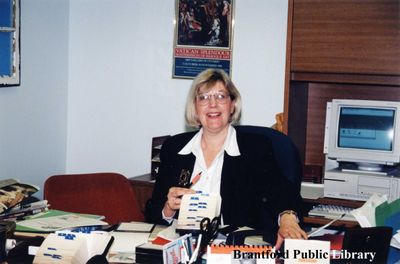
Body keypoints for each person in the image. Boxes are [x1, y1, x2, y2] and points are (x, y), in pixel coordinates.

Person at [145, 68, 307, 249]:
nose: (212, 104)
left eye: (221, 96)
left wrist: (288, 219)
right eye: (204, 97)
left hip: (234, 249)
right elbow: (152, 213)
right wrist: (168, 208)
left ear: (232, 105)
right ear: (195, 108)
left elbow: (282, 193)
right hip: (183, 246)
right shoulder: (175, 148)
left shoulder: (255, 148)